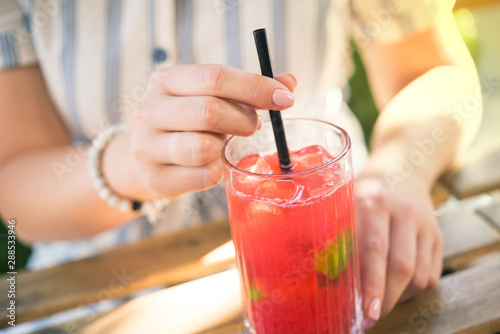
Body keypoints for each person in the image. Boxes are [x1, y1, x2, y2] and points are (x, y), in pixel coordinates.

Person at [0, 0, 481, 330]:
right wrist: (130, 164)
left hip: (342, 254)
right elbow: (15, 182)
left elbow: (434, 72)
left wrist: (396, 173)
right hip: (96, 293)